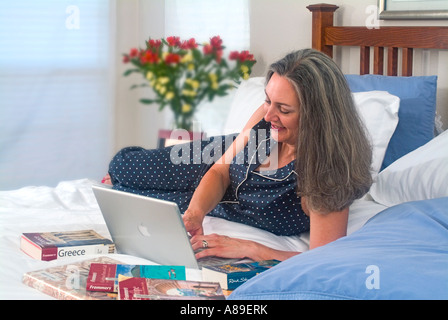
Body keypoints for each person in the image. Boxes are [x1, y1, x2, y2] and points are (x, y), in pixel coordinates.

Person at [103, 48, 372, 262]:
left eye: (284, 109)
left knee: (130, 195)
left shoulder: (330, 174)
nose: (268, 116)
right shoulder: (267, 119)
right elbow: (220, 170)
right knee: (122, 168)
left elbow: (323, 259)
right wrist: (196, 212)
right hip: (214, 162)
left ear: (318, 115)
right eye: (268, 100)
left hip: (224, 206)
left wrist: (251, 249)